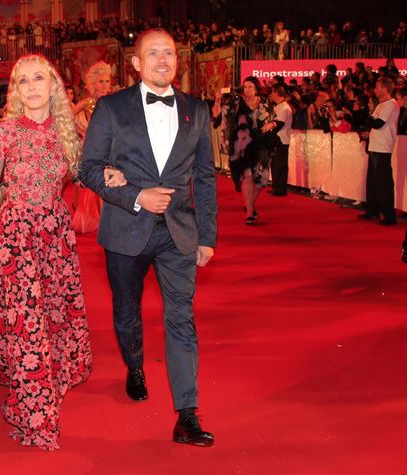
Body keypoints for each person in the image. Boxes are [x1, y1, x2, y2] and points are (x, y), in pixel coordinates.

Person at [0, 54, 125, 451]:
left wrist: (110, 173)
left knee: (51, 311)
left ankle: (41, 373)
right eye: (24, 81)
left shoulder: (68, 130)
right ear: (16, 91)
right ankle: (34, 413)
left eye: (40, 78)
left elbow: (83, 173)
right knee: (27, 321)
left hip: (56, 235)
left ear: (53, 85)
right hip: (17, 235)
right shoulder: (4, 131)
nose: (33, 86)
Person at [80, 28, 217, 447]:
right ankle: (135, 365)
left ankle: (187, 414)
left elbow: (206, 178)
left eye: (169, 53)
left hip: (180, 233)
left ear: (178, 61)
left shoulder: (198, 110)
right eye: (152, 53)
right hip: (125, 228)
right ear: (136, 63)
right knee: (127, 312)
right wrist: (135, 195)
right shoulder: (111, 107)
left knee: (181, 317)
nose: (162, 60)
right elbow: (88, 169)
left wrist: (207, 236)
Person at [215, 76, 270, 224]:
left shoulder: (264, 102)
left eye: (250, 87)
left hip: (259, 143)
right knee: (247, 176)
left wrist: (270, 125)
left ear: (257, 88)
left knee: (262, 178)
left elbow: (270, 119)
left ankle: (249, 205)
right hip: (241, 143)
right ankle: (250, 213)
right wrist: (217, 100)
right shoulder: (236, 102)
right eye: (245, 87)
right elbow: (218, 115)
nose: (247, 90)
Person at [72, 61, 113, 234]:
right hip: (87, 152)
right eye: (101, 81)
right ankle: (93, 219)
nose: (105, 85)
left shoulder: (113, 103)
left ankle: (107, 220)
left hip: (109, 152)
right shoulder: (85, 103)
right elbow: (65, 120)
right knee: (87, 188)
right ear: (92, 83)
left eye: (108, 81)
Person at [358, 77, 399, 225]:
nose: (375, 90)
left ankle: (388, 214)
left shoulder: (391, 104)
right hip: (375, 146)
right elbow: (372, 122)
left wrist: (369, 115)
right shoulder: (381, 105)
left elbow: (377, 123)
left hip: (383, 148)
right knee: (373, 182)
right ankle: (373, 210)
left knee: (383, 183)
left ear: (384, 89)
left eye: (377, 87)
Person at [267, 85, 292, 196]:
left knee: (280, 165)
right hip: (276, 140)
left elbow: (279, 124)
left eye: (272, 92)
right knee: (275, 165)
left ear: (277, 93)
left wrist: (268, 130)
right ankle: (276, 187)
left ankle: (281, 189)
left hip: (281, 140)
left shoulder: (285, 108)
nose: (271, 95)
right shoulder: (279, 107)